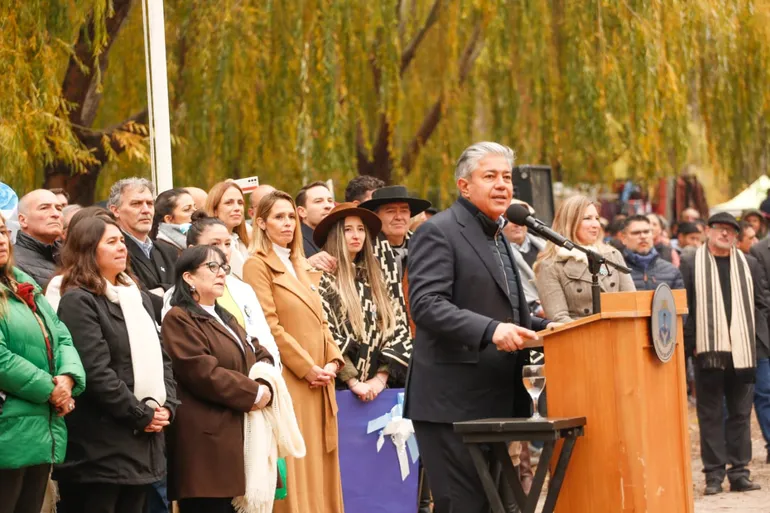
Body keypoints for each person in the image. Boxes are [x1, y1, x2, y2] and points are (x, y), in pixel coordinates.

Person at [405, 142, 551, 513]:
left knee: (494, 507)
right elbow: (426, 305)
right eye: (490, 176)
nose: (502, 185)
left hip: (495, 400)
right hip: (451, 404)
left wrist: (550, 328)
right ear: (464, 185)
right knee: (464, 506)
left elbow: (506, 313)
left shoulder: (497, 235)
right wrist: (490, 330)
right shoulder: (439, 231)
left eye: (506, 177)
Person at [55, 216, 178, 513]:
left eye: (122, 241)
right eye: (111, 242)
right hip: (100, 445)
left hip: (142, 441)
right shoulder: (78, 301)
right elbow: (96, 373)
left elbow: (163, 358)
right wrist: (141, 414)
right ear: (87, 250)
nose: (122, 247)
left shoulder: (136, 298)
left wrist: (167, 407)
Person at [243, 190, 345, 513]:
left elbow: (323, 320)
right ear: (261, 222)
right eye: (279, 217)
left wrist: (332, 360)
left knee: (321, 469)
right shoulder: (256, 265)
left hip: (321, 381)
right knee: (298, 468)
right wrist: (307, 367)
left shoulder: (299, 263)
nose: (288, 224)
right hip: (293, 380)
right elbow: (269, 326)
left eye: (291, 217)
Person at [161, 246, 276, 513]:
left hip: (236, 438)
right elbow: (202, 372)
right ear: (189, 278)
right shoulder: (179, 318)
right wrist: (255, 394)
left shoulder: (226, 317)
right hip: (205, 444)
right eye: (212, 267)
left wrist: (268, 383)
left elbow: (259, 353)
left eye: (224, 267)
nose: (221, 273)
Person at [0, 213, 86, 513]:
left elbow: (61, 335)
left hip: (38, 427)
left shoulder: (20, 281)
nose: (1, 240)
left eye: (1, 231)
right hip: (7, 427)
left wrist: (67, 378)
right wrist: (50, 390)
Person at [680, 212, 766, 495]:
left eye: (732, 231)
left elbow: (760, 306)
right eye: (720, 229)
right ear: (708, 231)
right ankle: (714, 476)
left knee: (741, 414)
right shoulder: (692, 262)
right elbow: (686, 307)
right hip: (708, 351)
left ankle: (739, 473)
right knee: (710, 414)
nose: (726, 234)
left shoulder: (750, 264)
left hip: (743, 351)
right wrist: (691, 344)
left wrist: (757, 342)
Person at [161, 211, 281, 364]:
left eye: (228, 244)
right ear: (193, 250)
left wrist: (268, 379)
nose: (223, 251)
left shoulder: (243, 289)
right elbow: (193, 361)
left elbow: (265, 341)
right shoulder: (175, 298)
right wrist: (253, 388)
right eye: (214, 244)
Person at [313, 203, 403, 401]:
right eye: (348, 229)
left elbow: (398, 329)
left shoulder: (377, 279)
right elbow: (324, 333)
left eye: (361, 229)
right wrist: (353, 381)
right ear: (335, 235)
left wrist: (380, 379)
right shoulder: (322, 279)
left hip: (379, 389)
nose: (357, 235)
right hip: (336, 389)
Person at [535, 195, 636, 323]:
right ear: (570, 222)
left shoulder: (612, 255)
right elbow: (559, 318)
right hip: (579, 337)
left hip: (618, 332)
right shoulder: (551, 265)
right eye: (587, 218)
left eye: (597, 218)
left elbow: (631, 302)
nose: (595, 224)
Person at [108, 178, 177, 321]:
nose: (146, 210)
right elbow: (139, 301)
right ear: (115, 210)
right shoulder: (114, 252)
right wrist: (171, 290)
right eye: (136, 204)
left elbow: (189, 291)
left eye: (150, 203)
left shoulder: (168, 250)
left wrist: (160, 291)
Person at [13, 189, 64, 289]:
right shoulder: (12, 262)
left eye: (59, 209)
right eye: (44, 208)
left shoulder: (72, 255)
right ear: (23, 220)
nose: (56, 214)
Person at [502, 199, 545, 316]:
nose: (517, 224)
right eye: (510, 219)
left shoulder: (548, 247)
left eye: (522, 219)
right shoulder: (498, 256)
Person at [620, 215, 684, 290]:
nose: (643, 236)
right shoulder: (615, 272)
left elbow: (679, 300)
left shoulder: (671, 271)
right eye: (636, 233)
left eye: (646, 232)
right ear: (623, 238)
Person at [205, 181, 250, 279]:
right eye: (229, 203)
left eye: (240, 203)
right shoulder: (207, 246)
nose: (237, 208)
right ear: (215, 209)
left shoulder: (244, 243)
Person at [295, 181, 337, 271]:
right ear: (302, 212)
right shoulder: (294, 243)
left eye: (330, 201)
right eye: (318, 201)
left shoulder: (340, 238)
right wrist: (307, 264)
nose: (328, 206)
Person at [150, 188, 197, 257]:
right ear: (169, 219)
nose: (195, 212)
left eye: (195, 207)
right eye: (187, 209)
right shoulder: (161, 251)